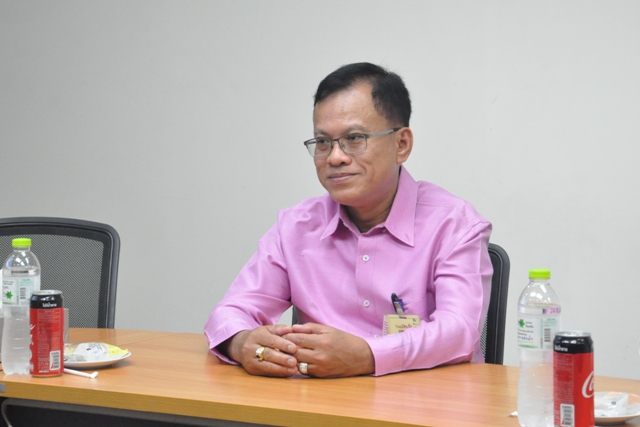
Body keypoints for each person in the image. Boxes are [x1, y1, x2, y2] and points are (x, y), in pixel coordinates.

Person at [204, 62, 492, 378]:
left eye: (354, 138)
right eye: (323, 142)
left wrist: (368, 355)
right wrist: (243, 343)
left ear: (401, 144)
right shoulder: (296, 227)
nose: (335, 157)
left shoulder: (454, 225)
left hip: (424, 401)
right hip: (320, 401)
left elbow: (459, 330)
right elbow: (230, 312)